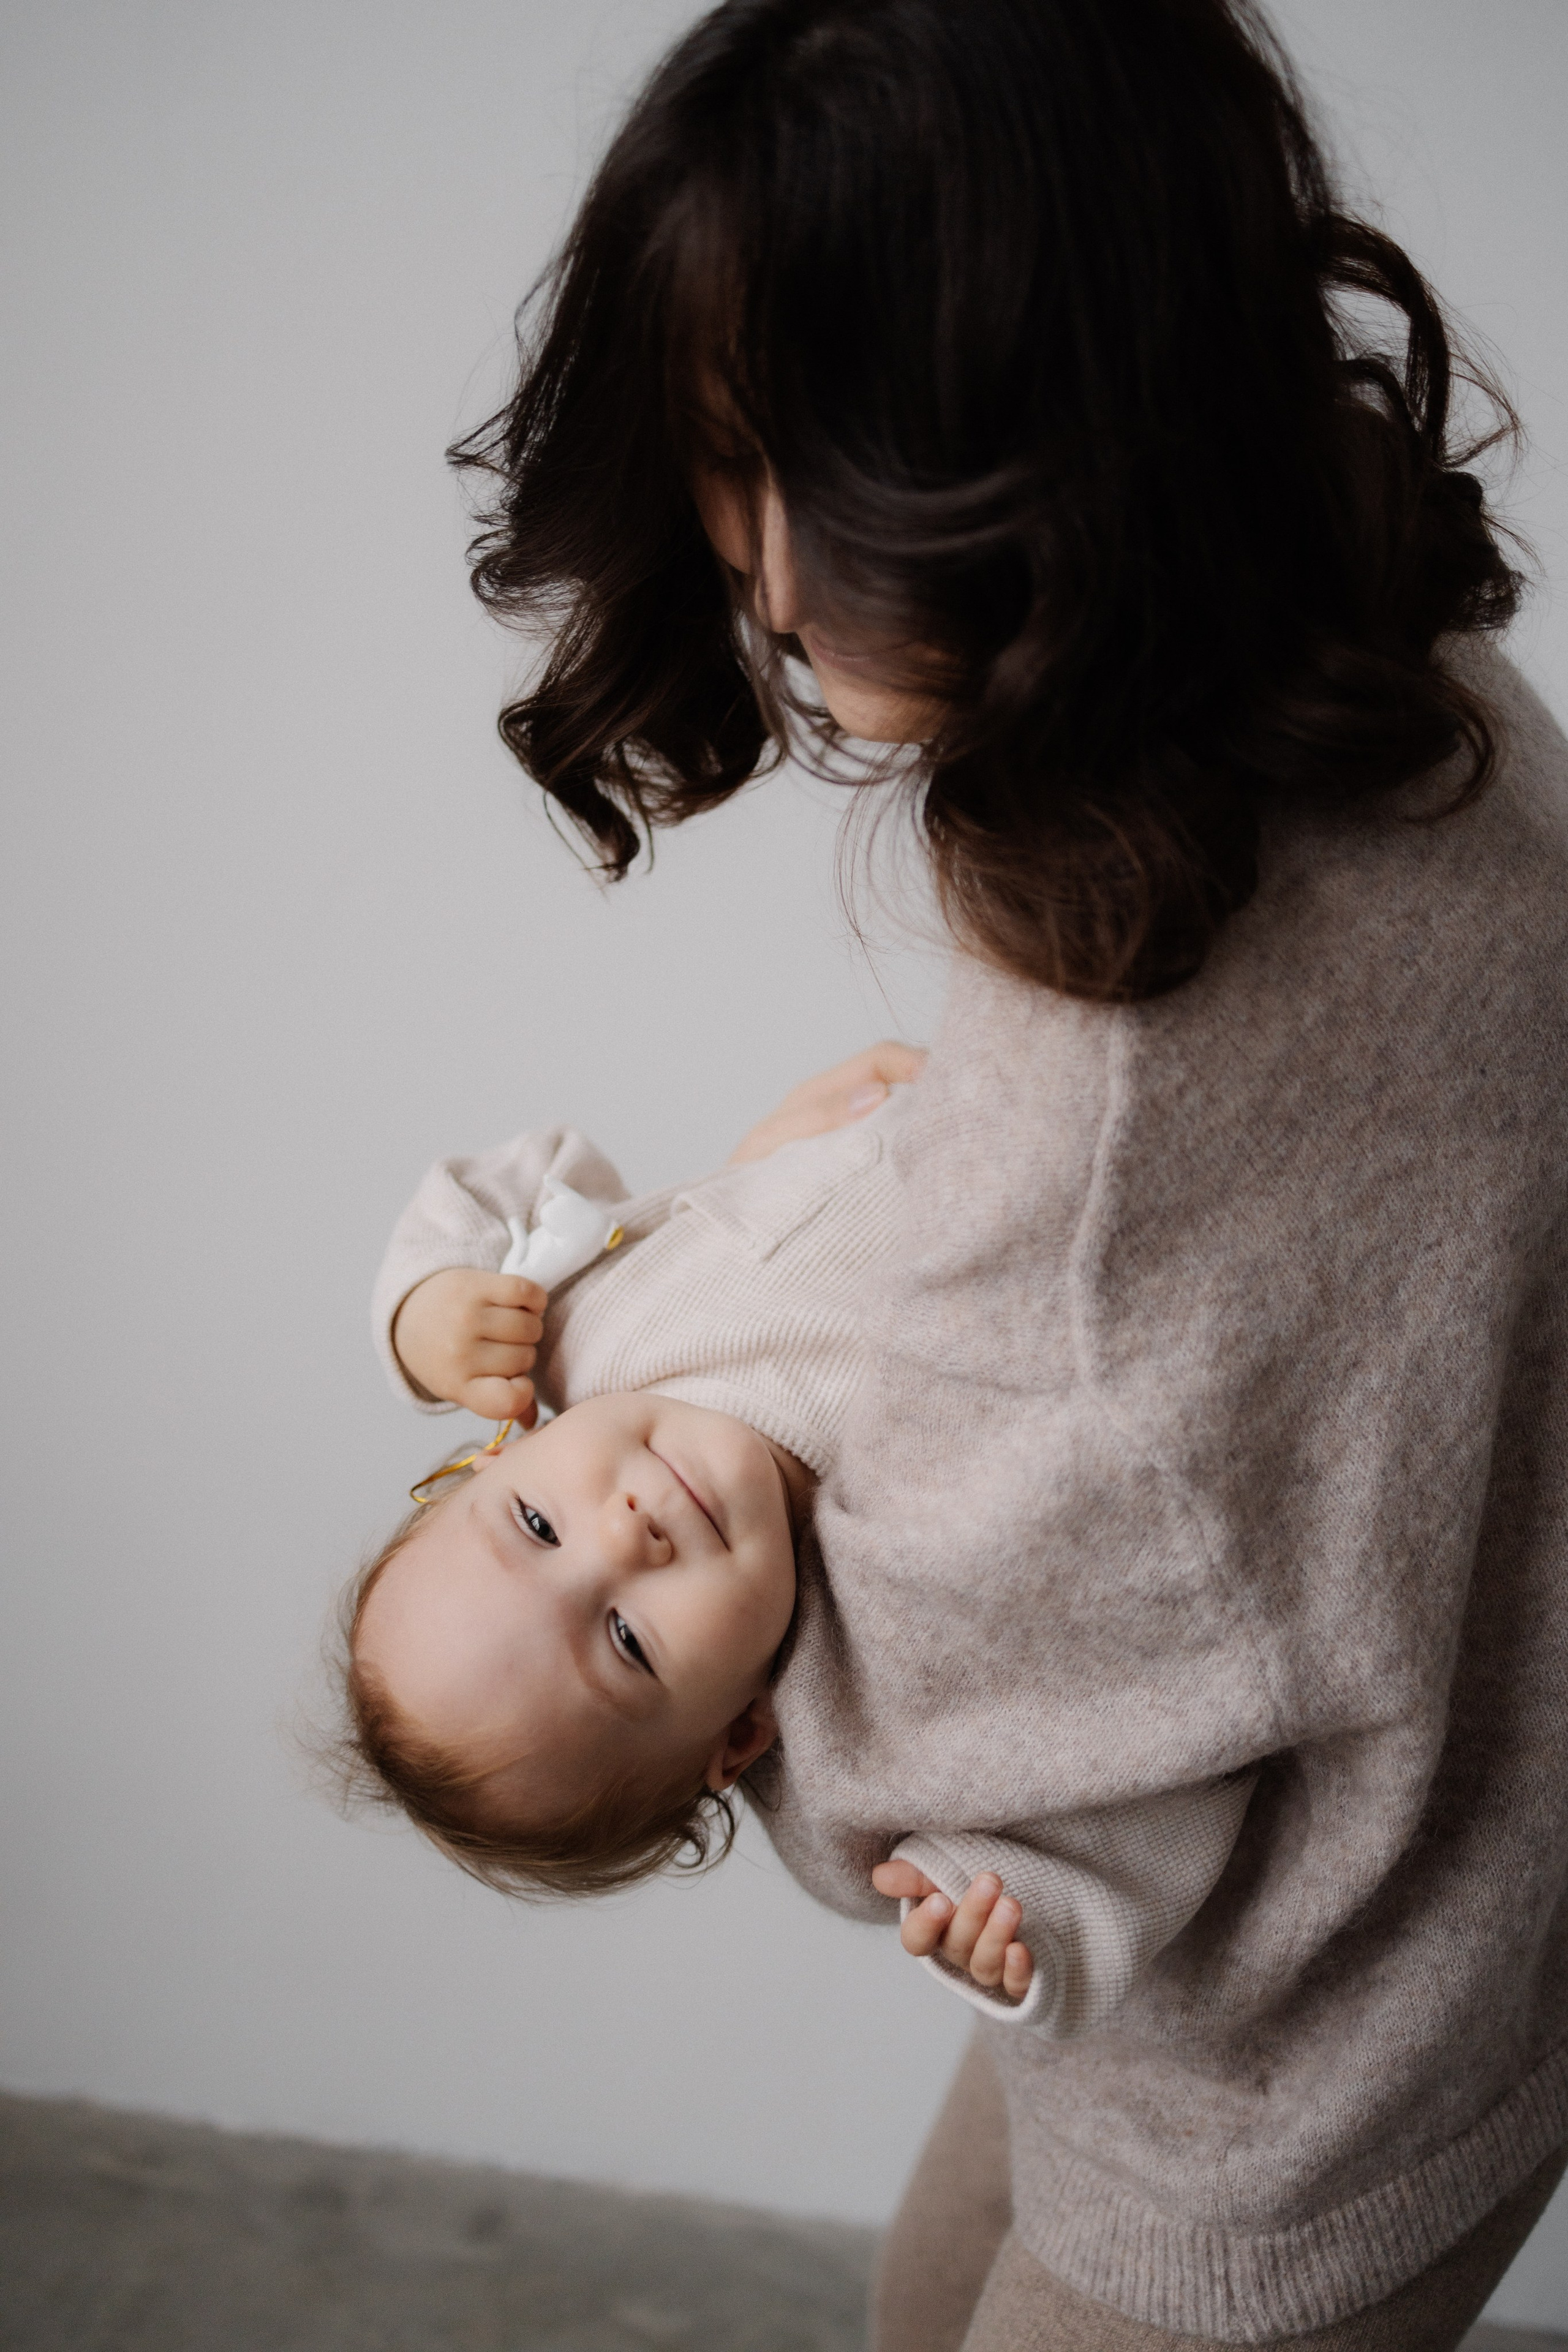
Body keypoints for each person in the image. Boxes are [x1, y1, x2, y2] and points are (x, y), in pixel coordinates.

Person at [437, 1, 1568, 2344]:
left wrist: (662, 1317)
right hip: (1393, 1867)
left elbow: (1006, 1674)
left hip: (1325, 2026)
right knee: (919, 2299)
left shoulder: (1108, 1064)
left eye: (782, 467)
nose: (753, 569)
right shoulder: (1411, 683)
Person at [344, 1049, 1250, 2037]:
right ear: (740, 1735)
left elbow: (498, 1195)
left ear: (500, 1451)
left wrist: (426, 1312)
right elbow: (1139, 1760)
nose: (625, 1535)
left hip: (1056, 1081)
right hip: (1224, 1295)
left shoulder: (584, 1328)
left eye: (536, 1523)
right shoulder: (863, 1728)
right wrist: (1007, 1915)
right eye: (628, 1641)